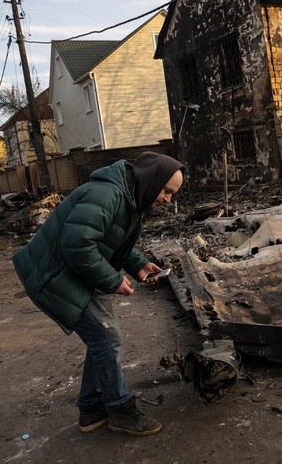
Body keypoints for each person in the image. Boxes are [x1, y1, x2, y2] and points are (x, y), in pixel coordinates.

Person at [12, 152, 184, 437]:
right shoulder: (108, 194)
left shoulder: (132, 198)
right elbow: (77, 246)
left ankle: (91, 407)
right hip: (57, 274)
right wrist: (113, 279)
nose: (168, 200)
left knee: (103, 340)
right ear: (152, 179)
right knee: (106, 339)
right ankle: (119, 410)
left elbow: (111, 239)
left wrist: (139, 265)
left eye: (172, 194)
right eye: (167, 191)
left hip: (77, 273)